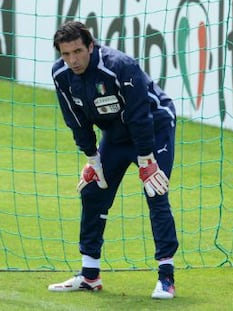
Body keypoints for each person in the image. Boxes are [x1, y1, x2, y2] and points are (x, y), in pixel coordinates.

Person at [48, 21, 179, 299]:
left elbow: (140, 116)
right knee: (94, 191)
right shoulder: (61, 74)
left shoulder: (120, 66)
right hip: (116, 136)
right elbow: (75, 119)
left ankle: (166, 277)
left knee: (155, 190)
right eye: (66, 54)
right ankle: (89, 275)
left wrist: (147, 159)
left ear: (91, 46)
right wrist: (92, 158)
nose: (73, 60)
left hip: (153, 129)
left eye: (78, 51)